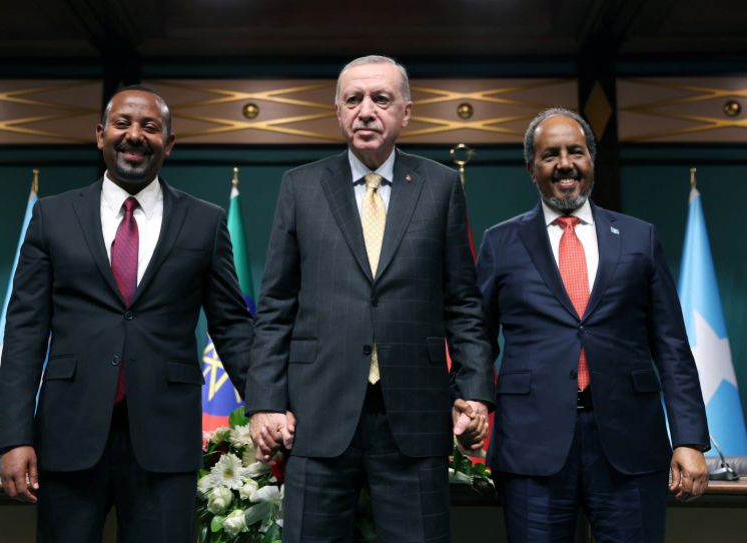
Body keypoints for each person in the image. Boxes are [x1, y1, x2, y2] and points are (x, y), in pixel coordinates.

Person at [245, 55, 495, 543]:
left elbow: (463, 302)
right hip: (316, 412)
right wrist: (265, 402)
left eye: (381, 99)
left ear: (406, 111)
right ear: (338, 112)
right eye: (353, 99)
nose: (366, 110)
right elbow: (275, 305)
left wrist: (475, 391)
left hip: (415, 412)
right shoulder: (300, 186)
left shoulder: (441, 186)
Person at [0, 86, 253, 542]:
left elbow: (231, 325)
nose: (135, 135)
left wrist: (267, 404)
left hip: (165, 440)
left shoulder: (204, 222)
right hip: (67, 436)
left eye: (150, 127)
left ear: (169, 144)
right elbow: (24, 331)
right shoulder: (52, 217)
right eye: (123, 124)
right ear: (100, 135)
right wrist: (15, 437)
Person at [476, 107, 710, 542]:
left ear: (591, 161)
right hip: (532, 446)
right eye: (550, 155)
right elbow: (476, 339)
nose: (565, 163)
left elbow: (672, 346)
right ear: (532, 169)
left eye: (575, 151)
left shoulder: (640, 238)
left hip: (630, 442)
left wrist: (690, 439)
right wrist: (473, 402)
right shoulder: (500, 242)